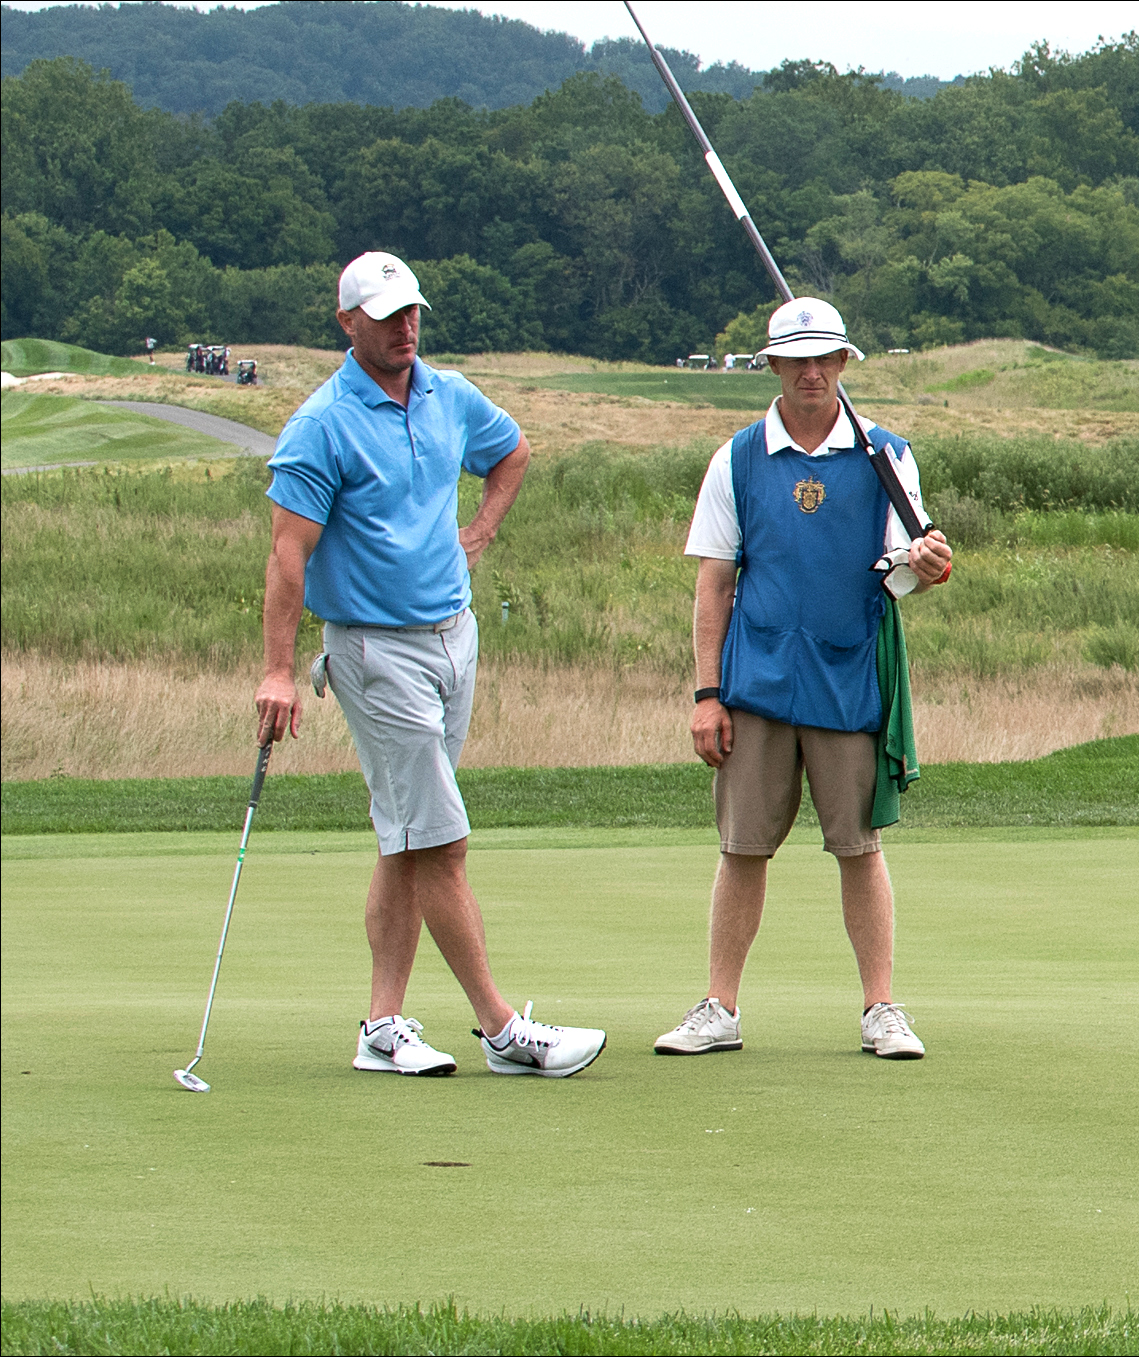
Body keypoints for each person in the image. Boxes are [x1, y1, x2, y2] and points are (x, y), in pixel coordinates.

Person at [255, 251, 606, 1078]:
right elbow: (286, 556)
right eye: (385, 315)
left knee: (406, 838)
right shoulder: (321, 424)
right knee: (441, 842)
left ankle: (382, 1025)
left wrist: (478, 533)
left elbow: (512, 452)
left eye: (412, 310)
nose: (405, 326)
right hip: (373, 650)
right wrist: (276, 669)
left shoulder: (449, 394)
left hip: (455, 636)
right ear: (348, 324)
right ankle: (502, 1029)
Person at [654, 298, 957, 1061]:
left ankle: (881, 1008)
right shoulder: (738, 457)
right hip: (755, 680)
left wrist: (928, 568)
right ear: (774, 367)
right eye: (797, 359)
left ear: (846, 364)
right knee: (742, 846)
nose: (812, 372)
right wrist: (705, 694)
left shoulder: (887, 456)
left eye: (826, 358)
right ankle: (719, 1006)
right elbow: (714, 583)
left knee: (859, 846)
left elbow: (902, 573)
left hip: (847, 677)